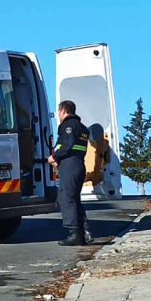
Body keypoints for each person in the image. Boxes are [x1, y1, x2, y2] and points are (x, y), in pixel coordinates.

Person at [48, 100, 90, 246]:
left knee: (66, 199)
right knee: (75, 199)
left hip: (69, 166)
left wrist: (54, 157)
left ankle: (74, 234)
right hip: (79, 165)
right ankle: (84, 232)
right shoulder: (83, 128)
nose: (58, 115)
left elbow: (67, 144)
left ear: (63, 111)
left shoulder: (67, 126)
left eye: (59, 112)